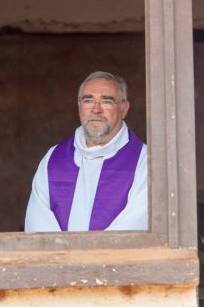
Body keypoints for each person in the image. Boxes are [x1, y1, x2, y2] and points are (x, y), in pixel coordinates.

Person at [25, 71, 147, 232]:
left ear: (124, 109)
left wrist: (90, 257)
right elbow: (38, 225)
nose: (96, 109)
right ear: (79, 106)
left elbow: (136, 225)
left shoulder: (144, 161)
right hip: (59, 257)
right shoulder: (53, 159)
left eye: (106, 101)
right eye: (88, 100)